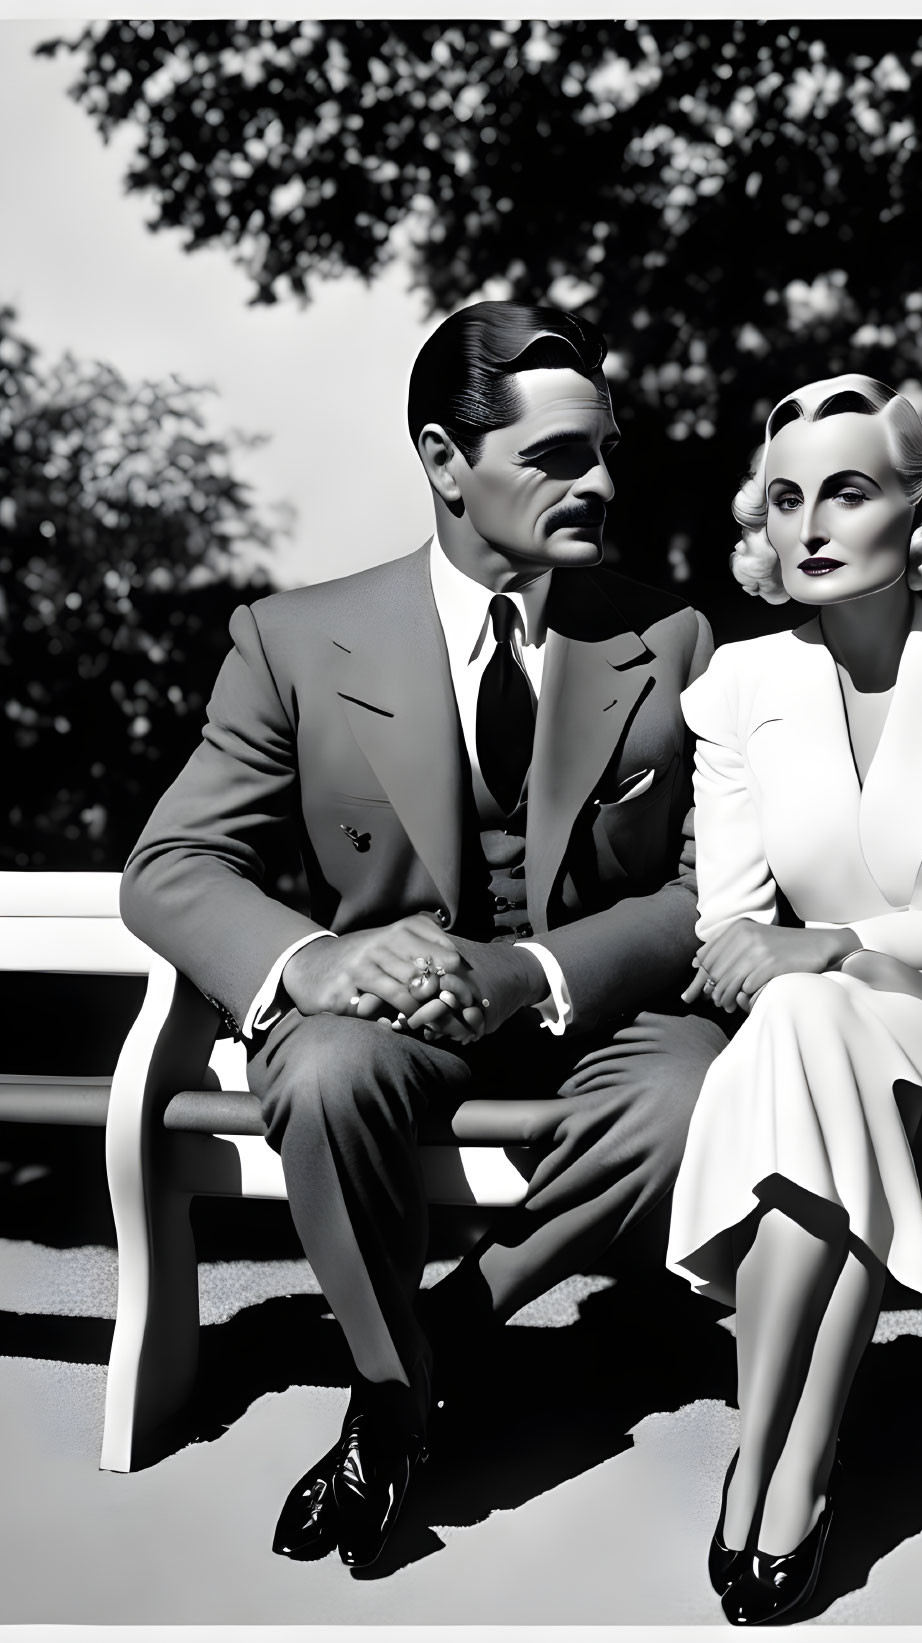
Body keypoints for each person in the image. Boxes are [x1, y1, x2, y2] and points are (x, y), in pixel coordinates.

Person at [120, 301, 727, 1570]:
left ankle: (419, 1361)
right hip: (389, 1025)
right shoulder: (288, 639)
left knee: (699, 1096)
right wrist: (315, 960)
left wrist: (531, 972)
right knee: (323, 1066)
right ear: (446, 463)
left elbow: (696, 886)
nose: (601, 481)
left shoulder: (666, 638)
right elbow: (171, 862)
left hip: (596, 1026)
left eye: (603, 449)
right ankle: (400, 1398)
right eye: (557, 456)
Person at [666, 374, 922, 1625]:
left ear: (919, 511)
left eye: (846, 490)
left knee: (814, 1021)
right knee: (814, 1026)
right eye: (786, 497)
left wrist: (839, 944)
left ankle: (770, 1459)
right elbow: (734, 937)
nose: (810, 524)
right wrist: (878, 968)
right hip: (844, 1026)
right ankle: (791, 1461)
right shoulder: (739, 688)